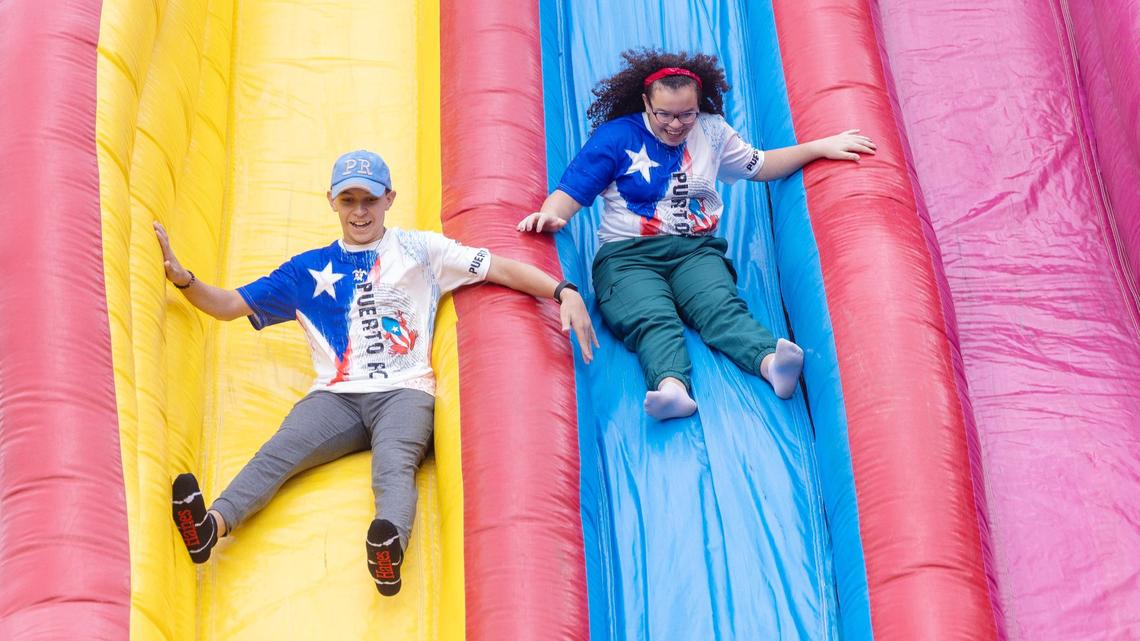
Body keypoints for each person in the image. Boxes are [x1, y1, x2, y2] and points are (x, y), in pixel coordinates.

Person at [161, 149, 597, 596]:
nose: (360, 211)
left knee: (393, 466)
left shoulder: (420, 251)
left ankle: (388, 548)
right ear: (331, 201)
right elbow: (231, 305)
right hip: (336, 396)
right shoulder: (305, 270)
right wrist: (184, 280)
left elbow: (499, 268)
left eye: (369, 199)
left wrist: (563, 291)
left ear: (389, 198)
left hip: (405, 390)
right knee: (278, 452)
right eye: (349, 200)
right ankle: (212, 525)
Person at [518, 49, 875, 420]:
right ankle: (671, 388)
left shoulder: (711, 131)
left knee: (720, 308)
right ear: (646, 103)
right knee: (654, 318)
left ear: (698, 105)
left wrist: (820, 147)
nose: (676, 124)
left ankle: (771, 363)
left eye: (686, 114)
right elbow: (571, 192)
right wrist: (549, 215)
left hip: (694, 251)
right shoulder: (617, 137)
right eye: (665, 115)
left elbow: (761, 165)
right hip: (627, 257)